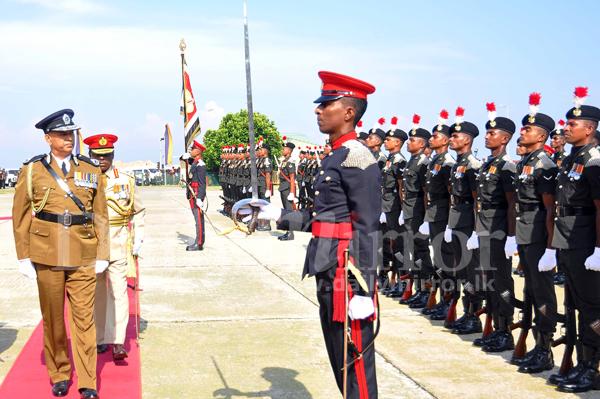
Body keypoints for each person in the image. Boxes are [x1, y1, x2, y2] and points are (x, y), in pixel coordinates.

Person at [240, 71, 380, 398]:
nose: (318, 110)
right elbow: (323, 218)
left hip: (348, 275)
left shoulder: (358, 155)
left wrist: (365, 290)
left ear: (348, 113)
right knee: (340, 361)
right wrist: (276, 214)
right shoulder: (334, 154)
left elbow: (367, 225)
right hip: (326, 267)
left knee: (356, 363)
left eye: (326, 105)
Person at [12, 109, 109, 399]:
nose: (70, 138)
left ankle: (88, 380)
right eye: (63, 134)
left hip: (82, 251)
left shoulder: (90, 169)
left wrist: (103, 253)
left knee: (84, 319)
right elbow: (20, 215)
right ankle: (59, 373)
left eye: (72, 133)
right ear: (48, 138)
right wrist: (23, 256)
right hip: (48, 252)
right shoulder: (32, 170)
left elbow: (101, 214)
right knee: (53, 319)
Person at [549, 87, 600, 393]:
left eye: (572, 125)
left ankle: (591, 369)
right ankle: (582, 363)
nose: (566, 128)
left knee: (593, 307)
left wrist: (598, 248)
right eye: (567, 124)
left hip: (585, 244)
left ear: (590, 129)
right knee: (577, 306)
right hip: (568, 241)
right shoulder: (572, 159)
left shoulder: (594, 161)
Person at [83, 134, 146, 361]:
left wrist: (139, 236)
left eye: (106, 155)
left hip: (119, 242)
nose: (102, 160)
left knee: (118, 293)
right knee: (96, 294)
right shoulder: (82, 180)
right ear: (90, 155)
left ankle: (118, 341)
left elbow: (138, 210)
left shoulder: (126, 179)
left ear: (113, 155)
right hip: (91, 245)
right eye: (97, 156)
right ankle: (100, 339)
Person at [511, 94, 558, 373]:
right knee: (531, 290)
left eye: (528, 129)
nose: (523, 132)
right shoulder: (526, 161)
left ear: (541, 136)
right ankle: (537, 346)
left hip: (540, 236)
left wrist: (551, 248)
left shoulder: (544, 164)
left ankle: (545, 348)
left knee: (543, 292)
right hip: (526, 234)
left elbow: (550, 209)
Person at [471, 103, 517, 352]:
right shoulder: (488, 165)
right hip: (486, 231)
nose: (487, 136)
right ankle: (496, 327)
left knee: (501, 281)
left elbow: (511, 204)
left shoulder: (507, 166)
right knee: (489, 280)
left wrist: (511, 237)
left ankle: (505, 331)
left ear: (505, 138)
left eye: (492, 133)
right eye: (487, 133)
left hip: (499, 232)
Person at [445, 107, 484, 333]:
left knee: (473, 271)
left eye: (456, 136)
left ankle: (474, 315)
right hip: (457, 223)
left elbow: (476, 201)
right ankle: (467, 312)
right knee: (462, 271)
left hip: (469, 226)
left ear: (467, 140)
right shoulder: (458, 164)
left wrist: (476, 231)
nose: (452, 139)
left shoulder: (473, 165)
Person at [420, 110, 456, 319]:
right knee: (439, 261)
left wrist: (450, 224)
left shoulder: (448, 163)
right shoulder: (435, 161)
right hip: (434, 216)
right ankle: (442, 299)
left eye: (435, 136)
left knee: (446, 261)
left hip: (443, 217)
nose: (431, 139)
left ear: (445, 141)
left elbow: (453, 197)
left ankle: (448, 300)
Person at [398, 115, 433, 309]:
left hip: (418, 213)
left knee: (421, 250)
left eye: (412, 140)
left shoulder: (423, 163)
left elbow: (426, 193)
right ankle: (419, 288)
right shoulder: (413, 162)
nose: (408, 143)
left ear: (421, 144)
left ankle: (425, 289)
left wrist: (426, 218)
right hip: (410, 211)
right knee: (414, 251)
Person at [380, 117, 408, 298]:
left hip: (395, 208)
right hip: (388, 206)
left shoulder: (399, 161)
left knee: (399, 246)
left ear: (397, 143)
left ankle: (402, 282)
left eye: (388, 139)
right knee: (392, 245)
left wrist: (402, 210)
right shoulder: (390, 159)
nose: (385, 141)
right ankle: (395, 280)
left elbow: (401, 188)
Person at [183, 140, 207, 251]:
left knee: (199, 220)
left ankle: (199, 242)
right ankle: (198, 241)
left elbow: (202, 183)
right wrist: (184, 157)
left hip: (196, 194)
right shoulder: (195, 162)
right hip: (192, 193)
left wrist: (200, 198)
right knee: (196, 219)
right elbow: (184, 160)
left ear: (198, 151)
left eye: (192, 149)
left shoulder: (200, 164)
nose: (191, 151)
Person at [278, 137, 296, 241]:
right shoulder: (285, 161)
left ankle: (291, 233)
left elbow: (292, 178)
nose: (282, 150)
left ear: (289, 151)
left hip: (288, 188)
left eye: (284, 149)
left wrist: (292, 192)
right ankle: (287, 231)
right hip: (283, 188)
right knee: (285, 211)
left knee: (289, 211)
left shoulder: (290, 162)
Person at [256, 139, 273, 231]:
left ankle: (267, 224)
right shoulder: (262, 160)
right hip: (260, 185)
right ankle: (262, 223)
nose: (260, 151)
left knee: (266, 205)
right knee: (261, 205)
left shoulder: (267, 161)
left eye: (261, 150)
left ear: (266, 151)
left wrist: (267, 189)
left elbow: (267, 176)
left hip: (264, 186)